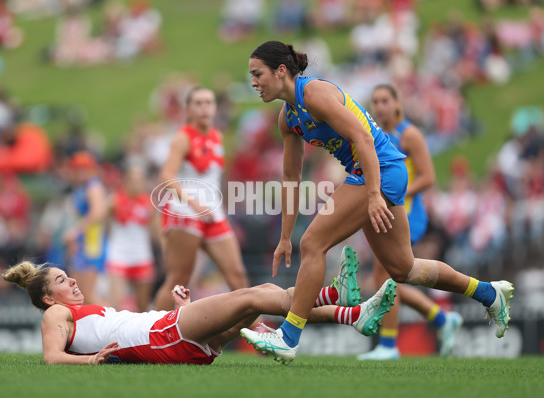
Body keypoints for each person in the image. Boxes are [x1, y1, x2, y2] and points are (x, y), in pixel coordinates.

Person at [240, 40, 513, 364]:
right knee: (403, 268)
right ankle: (489, 293)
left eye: (257, 74)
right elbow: (291, 180)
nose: (253, 82)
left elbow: (364, 138)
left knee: (313, 243)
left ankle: (288, 337)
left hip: (379, 170)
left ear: (281, 70)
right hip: (377, 172)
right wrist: (285, 237)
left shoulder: (314, 94)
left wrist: (372, 195)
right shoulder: (288, 119)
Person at [0, 255, 397, 365]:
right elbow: (52, 358)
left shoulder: (75, 311)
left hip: (171, 332)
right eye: (62, 282)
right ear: (48, 299)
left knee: (259, 299)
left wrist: (185, 309)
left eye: (69, 276)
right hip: (166, 335)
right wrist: (91, 363)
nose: (72, 282)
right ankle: (335, 295)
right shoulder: (55, 315)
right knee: (254, 295)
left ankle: (354, 315)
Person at [358, 84, 462, 360]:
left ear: (397, 104)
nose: (379, 106)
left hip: (409, 212)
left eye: (385, 100)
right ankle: (441, 319)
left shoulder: (409, 134)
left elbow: (428, 177)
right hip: (386, 212)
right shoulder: (373, 135)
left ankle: (389, 346)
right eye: (375, 101)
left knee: (385, 275)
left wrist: (397, 192)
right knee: (392, 276)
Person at [153, 87, 249, 310]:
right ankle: (150, 333)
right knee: (179, 279)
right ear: (189, 109)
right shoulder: (183, 138)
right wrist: (194, 204)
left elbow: (214, 179)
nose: (204, 108)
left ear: (215, 108)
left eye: (208, 102)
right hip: (185, 212)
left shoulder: (217, 136)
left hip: (213, 214)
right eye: (198, 103)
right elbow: (166, 175)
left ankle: (256, 334)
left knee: (237, 276)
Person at [106, 164, 159, 312]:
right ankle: (114, 335)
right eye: (134, 180)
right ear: (126, 181)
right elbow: (104, 224)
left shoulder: (149, 203)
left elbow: (156, 230)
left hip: (141, 255)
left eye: (140, 180)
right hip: (119, 255)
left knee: (143, 306)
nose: (137, 184)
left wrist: (166, 249)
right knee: (115, 305)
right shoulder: (114, 200)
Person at [63, 151, 107, 305]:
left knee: (87, 294)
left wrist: (75, 231)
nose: (81, 173)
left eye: (84, 169)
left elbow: (98, 212)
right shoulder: (80, 188)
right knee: (78, 294)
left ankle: (116, 324)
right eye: (78, 169)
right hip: (82, 244)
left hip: (91, 243)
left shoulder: (93, 186)